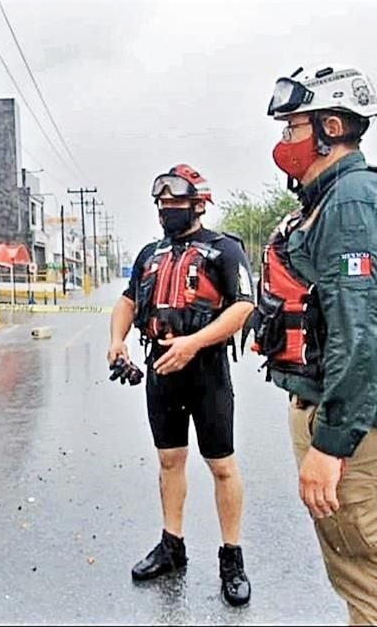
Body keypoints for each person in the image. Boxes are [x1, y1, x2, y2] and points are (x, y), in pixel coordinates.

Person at [249, 64, 377, 624]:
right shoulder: (336, 198)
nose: (283, 142)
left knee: (367, 573)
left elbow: (364, 335)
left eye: (292, 128)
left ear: (331, 127)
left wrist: (331, 445)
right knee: (355, 568)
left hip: (358, 423)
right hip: (350, 413)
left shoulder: (355, 200)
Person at [107, 164, 255, 607]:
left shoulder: (224, 250)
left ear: (198, 204)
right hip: (161, 370)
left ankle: (232, 558)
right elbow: (130, 300)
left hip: (207, 370)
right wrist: (117, 340)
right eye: (161, 203)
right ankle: (172, 546)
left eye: (174, 203)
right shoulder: (151, 254)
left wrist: (193, 343)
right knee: (169, 461)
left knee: (222, 466)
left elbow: (243, 306)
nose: (165, 210)